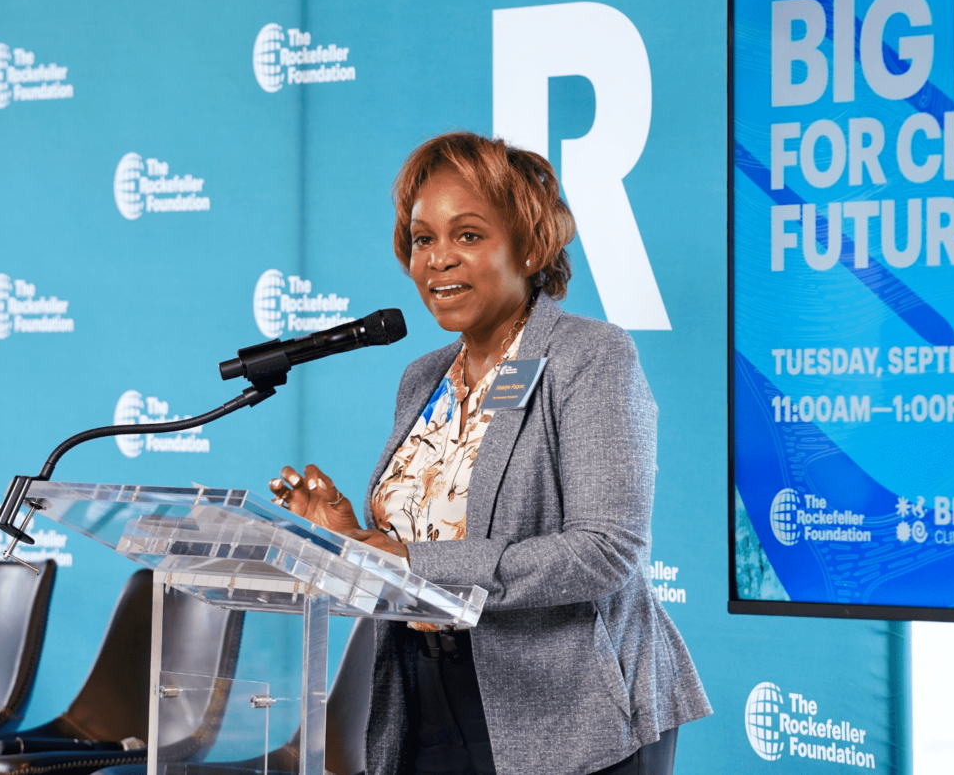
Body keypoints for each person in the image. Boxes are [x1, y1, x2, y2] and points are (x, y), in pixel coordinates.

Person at [268, 131, 710, 775]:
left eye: (468, 236)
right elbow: (422, 559)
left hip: (571, 709)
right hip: (424, 694)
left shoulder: (590, 357)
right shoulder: (422, 378)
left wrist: (413, 559)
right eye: (423, 239)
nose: (438, 260)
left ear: (530, 248)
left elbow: (606, 551)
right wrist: (351, 544)